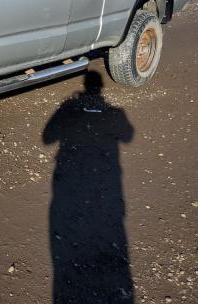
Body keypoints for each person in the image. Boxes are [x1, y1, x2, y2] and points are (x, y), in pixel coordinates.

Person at [43, 71, 134, 303]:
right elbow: (128, 136)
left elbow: (47, 137)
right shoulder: (115, 113)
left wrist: (66, 109)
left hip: (68, 185)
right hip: (108, 187)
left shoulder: (69, 108)